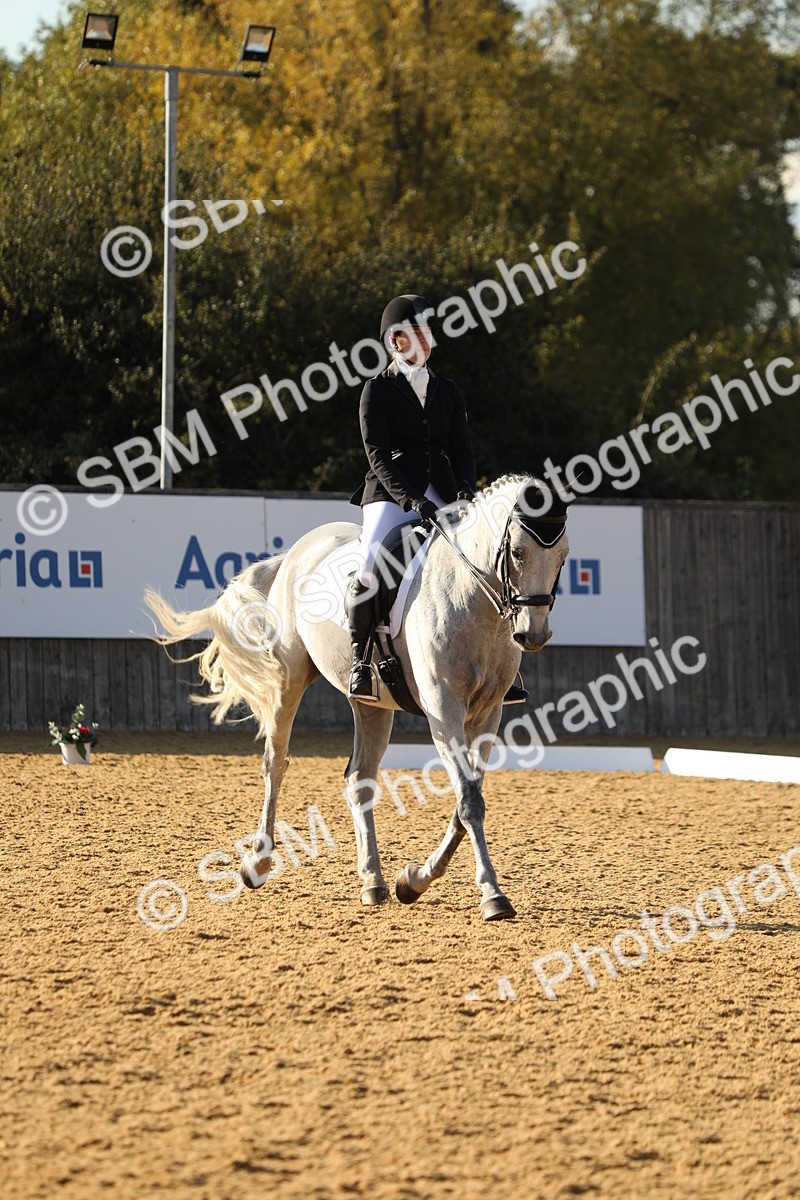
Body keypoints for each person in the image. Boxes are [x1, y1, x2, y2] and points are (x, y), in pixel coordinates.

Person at [346, 293, 528, 705]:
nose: (427, 341)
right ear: (396, 342)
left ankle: (506, 666)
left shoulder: (448, 390)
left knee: (487, 559)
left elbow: (463, 450)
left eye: (429, 334)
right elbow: (377, 455)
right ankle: (361, 659)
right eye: (419, 334)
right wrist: (411, 502)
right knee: (372, 561)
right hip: (391, 492)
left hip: (443, 490)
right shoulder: (376, 391)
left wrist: (465, 490)